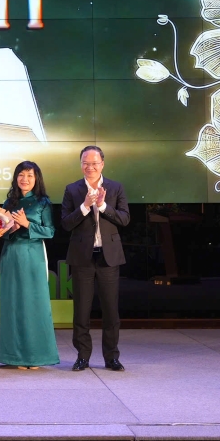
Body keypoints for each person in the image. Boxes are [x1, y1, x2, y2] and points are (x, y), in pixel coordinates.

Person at [61, 145, 130, 372]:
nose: (90, 167)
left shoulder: (115, 187)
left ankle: (111, 357)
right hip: (83, 258)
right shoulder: (72, 189)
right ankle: (82, 356)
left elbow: (124, 219)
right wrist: (85, 206)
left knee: (111, 310)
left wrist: (102, 205)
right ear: (81, 164)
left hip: (108, 258)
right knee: (82, 310)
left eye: (94, 163)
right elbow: (66, 223)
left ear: (102, 164)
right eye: (85, 163)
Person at [0, 161, 59, 369]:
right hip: (11, 255)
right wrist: (11, 229)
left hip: (33, 256)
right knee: (13, 303)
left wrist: (26, 224)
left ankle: (35, 356)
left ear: (36, 179)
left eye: (30, 175)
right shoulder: (9, 202)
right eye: (21, 175)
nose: (25, 179)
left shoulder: (43, 202)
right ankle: (14, 356)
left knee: (34, 304)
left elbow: (50, 231)